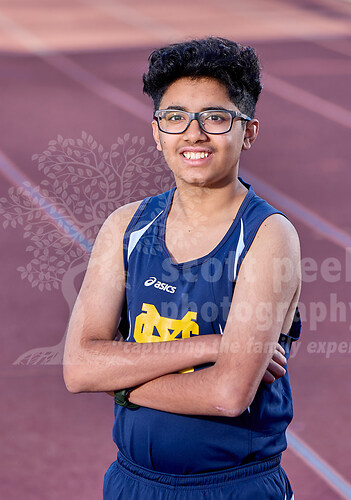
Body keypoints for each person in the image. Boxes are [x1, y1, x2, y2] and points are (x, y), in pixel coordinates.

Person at [63, 37, 301, 499]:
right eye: (175, 117)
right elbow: (78, 367)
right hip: (132, 483)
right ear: (157, 133)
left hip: (233, 487)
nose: (193, 134)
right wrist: (212, 346)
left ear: (248, 132)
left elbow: (228, 395)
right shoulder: (127, 227)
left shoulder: (268, 236)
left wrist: (120, 383)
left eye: (215, 117)